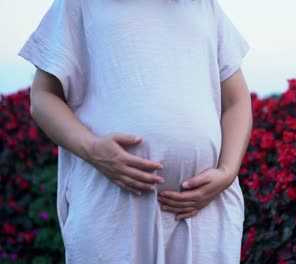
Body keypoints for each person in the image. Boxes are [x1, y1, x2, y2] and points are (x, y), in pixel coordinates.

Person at [18, 0, 252, 263]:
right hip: (113, 210)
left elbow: (236, 103)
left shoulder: (205, 6)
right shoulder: (80, 4)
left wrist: (227, 172)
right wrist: (92, 149)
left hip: (205, 214)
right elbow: (43, 97)